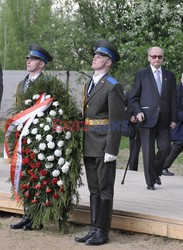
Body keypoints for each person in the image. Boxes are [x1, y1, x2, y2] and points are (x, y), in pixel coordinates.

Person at [75, 40, 124, 245]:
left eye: (100, 56)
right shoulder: (89, 83)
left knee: (105, 189)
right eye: (95, 55)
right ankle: (94, 228)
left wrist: (112, 149)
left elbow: (116, 120)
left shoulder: (113, 86)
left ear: (108, 62)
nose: (95, 57)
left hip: (104, 144)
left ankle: (103, 232)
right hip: (89, 143)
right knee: (93, 188)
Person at [10, 43, 53, 230]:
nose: (28, 61)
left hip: (39, 136)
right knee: (25, 173)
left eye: (33, 59)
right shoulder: (22, 83)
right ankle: (27, 214)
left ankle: (38, 217)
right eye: (28, 58)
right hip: (23, 135)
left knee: (38, 175)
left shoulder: (47, 84)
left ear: (41, 64)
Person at [129, 46, 177, 190]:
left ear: (163, 58)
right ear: (148, 57)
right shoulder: (141, 74)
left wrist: (174, 118)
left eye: (159, 57)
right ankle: (150, 182)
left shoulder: (170, 75)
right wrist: (137, 112)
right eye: (154, 56)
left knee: (166, 148)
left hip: (164, 120)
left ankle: (155, 172)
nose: (157, 59)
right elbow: (133, 98)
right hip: (146, 119)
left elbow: (173, 99)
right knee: (148, 153)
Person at [162, 74, 183, 176]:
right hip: (178, 125)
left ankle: (163, 166)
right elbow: (175, 110)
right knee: (178, 145)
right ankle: (162, 167)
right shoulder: (177, 91)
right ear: (182, 78)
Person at [124, 90, 141, 171]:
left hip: (149, 124)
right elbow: (120, 107)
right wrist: (129, 117)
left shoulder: (152, 92)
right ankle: (132, 171)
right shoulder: (130, 93)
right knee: (134, 151)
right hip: (135, 126)